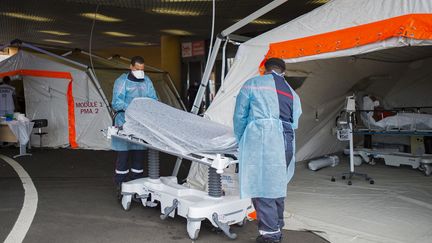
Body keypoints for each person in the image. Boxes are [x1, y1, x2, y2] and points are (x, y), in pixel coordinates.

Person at [233, 58, 302, 243]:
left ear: (264, 69)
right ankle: (277, 227)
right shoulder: (292, 93)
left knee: (262, 186)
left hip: (264, 139)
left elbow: (240, 114)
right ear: (283, 72)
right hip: (287, 139)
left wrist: (241, 139)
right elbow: (295, 120)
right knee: (277, 185)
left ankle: (270, 236)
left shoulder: (253, 83)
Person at [111, 56, 158, 193]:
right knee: (123, 157)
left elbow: (153, 99)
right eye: (137, 69)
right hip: (124, 123)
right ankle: (121, 184)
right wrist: (133, 108)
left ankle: (137, 184)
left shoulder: (147, 81)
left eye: (142, 69)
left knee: (139, 156)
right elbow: (117, 103)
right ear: (131, 67)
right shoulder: (122, 82)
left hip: (140, 124)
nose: (140, 72)